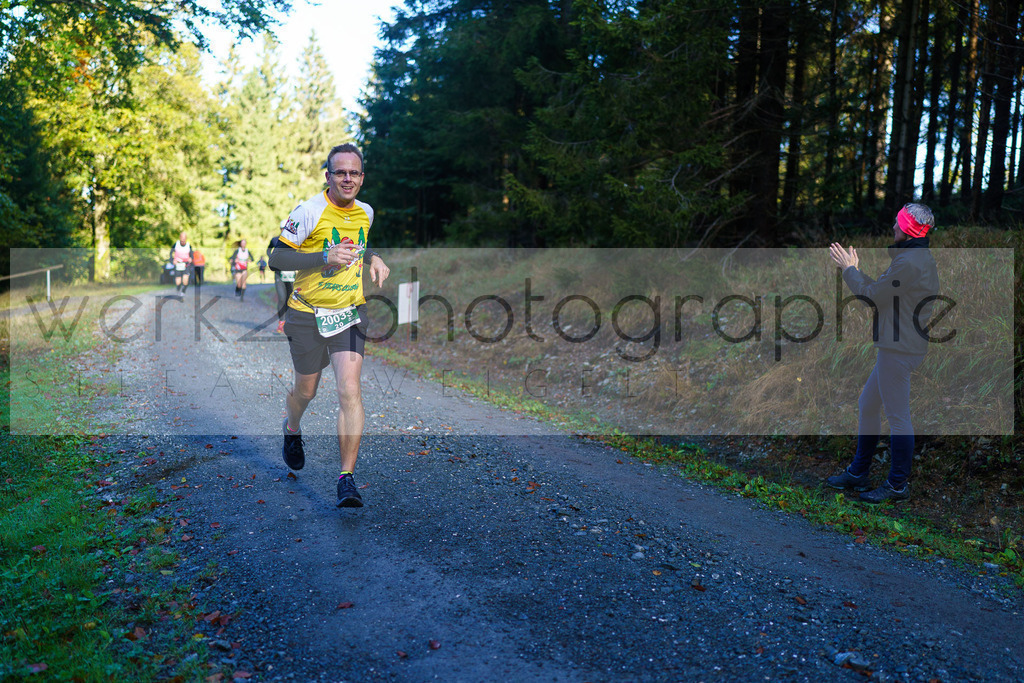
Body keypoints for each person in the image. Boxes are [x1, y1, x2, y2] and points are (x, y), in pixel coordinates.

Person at [268, 143, 389, 508]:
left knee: (349, 390)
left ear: (362, 178)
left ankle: (346, 479)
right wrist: (323, 256)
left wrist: (374, 256)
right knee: (305, 392)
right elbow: (276, 256)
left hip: (349, 312)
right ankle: (292, 429)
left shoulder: (365, 212)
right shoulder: (309, 211)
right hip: (306, 314)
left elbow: (358, 242)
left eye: (354, 173)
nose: (348, 178)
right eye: (341, 172)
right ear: (328, 176)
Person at [826, 203, 940, 503]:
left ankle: (897, 486)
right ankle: (858, 472)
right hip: (899, 345)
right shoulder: (914, 257)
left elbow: (874, 296)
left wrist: (849, 270)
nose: (893, 226)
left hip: (899, 349)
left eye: (897, 223)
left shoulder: (910, 263)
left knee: (898, 417)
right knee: (867, 404)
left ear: (908, 230)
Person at [268, 228, 297, 334]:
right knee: (281, 298)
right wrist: (271, 257)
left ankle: (289, 323)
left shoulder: (295, 240)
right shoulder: (275, 240)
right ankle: (281, 323)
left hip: (291, 274)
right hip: (279, 274)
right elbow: (268, 249)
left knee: (290, 299)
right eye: (282, 228)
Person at [170, 231, 193, 296]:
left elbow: (192, 255)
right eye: (182, 237)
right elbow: (170, 253)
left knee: (185, 280)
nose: (183, 239)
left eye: (184, 237)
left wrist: (191, 258)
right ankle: (178, 288)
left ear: (186, 238)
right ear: (180, 237)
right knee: (178, 281)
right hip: (178, 264)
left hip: (186, 265)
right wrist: (172, 261)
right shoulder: (176, 244)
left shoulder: (189, 245)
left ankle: (183, 291)